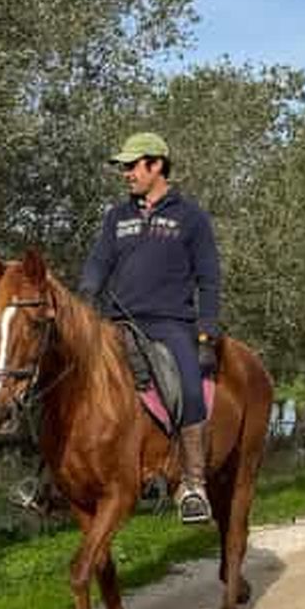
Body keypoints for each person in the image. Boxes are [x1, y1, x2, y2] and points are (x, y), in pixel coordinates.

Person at [79, 131, 220, 524]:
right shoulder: (117, 217)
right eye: (124, 167)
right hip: (118, 323)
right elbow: (98, 263)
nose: (126, 173)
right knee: (72, 376)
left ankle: (194, 486)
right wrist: (87, 294)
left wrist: (207, 333)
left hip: (170, 324)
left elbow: (209, 279)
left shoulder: (191, 218)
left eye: (132, 166)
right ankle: (53, 479)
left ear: (156, 165)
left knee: (189, 389)